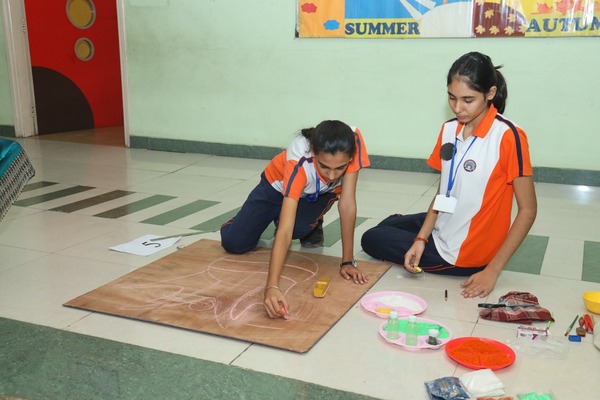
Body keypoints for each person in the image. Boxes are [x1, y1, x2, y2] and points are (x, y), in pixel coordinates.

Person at [361, 51, 537, 299]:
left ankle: (427, 242)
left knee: (371, 238)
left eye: (468, 100)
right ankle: (420, 235)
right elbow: (443, 191)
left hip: (463, 252)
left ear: (490, 93)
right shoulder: (449, 129)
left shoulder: (509, 135)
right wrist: (421, 238)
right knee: (390, 224)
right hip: (448, 219)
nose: (458, 108)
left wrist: (493, 270)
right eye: (452, 98)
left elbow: (528, 210)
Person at [221, 120, 371, 319]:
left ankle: (312, 222)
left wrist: (347, 262)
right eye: (324, 167)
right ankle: (249, 219)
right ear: (313, 153)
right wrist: (271, 287)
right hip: (274, 188)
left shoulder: (353, 142)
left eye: (340, 168)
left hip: (314, 195)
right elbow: (284, 230)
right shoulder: (298, 160)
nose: (332, 175)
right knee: (234, 243)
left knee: (299, 229)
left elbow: (347, 204)